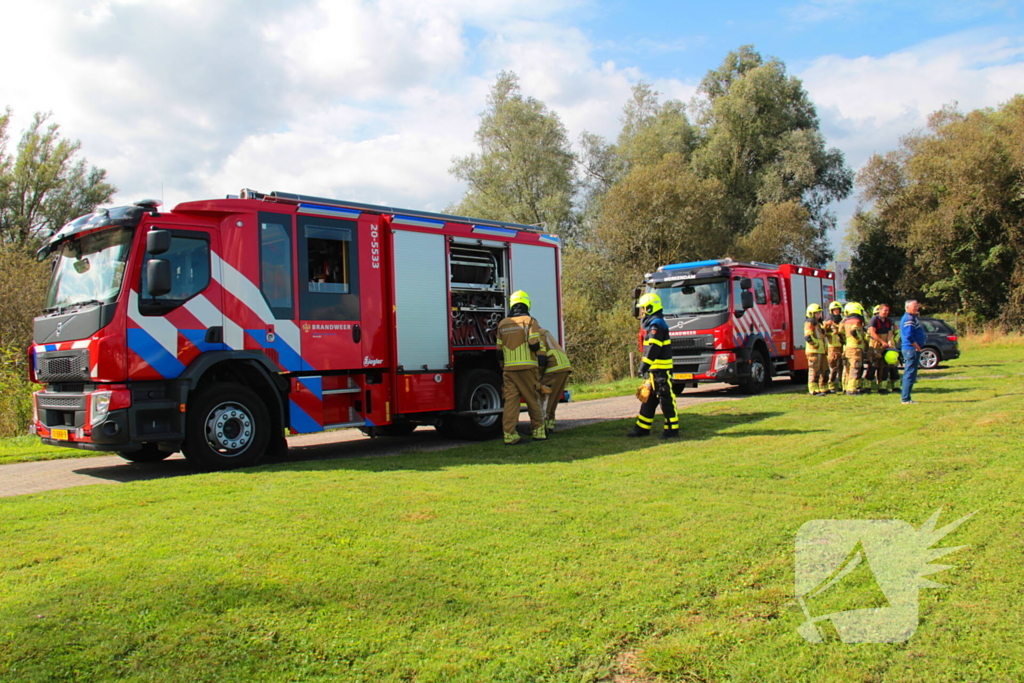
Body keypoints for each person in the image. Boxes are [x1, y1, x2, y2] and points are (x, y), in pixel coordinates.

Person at [496, 290, 547, 445]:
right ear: (527, 303)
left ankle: (509, 435)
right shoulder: (530, 321)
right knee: (533, 399)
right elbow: (533, 344)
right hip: (527, 368)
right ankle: (539, 431)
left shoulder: (503, 324)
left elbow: (499, 351)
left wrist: (503, 366)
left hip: (509, 370)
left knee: (511, 402)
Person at [627, 292, 679, 439]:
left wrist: (643, 367)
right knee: (649, 399)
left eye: (643, 308)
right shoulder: (654, 324)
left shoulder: (656, 325)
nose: (642, 312)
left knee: (666, 400)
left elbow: (653, 349)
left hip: (661, 371)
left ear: (650, 308)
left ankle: (672, 430)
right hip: (654, 371)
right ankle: (642, 429)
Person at [537, 327, 572, 432]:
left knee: (545, 398)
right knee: (553, 399)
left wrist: (538, 376)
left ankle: (542, 427)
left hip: (553, 368)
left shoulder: (537, 334)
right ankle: (549, 424)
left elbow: (541, 358)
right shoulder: (544, 332)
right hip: (563, 367)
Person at [866, 303, 898, 394]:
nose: (886, 312)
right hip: (876, 344)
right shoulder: (874, 320)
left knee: (884, 367)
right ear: (880, 310)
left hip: (885, 345)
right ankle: (867, 387)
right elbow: (872, 333)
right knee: (872, 366)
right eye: (885, 310)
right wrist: (882, 342)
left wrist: (889, 341)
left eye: (888, 311)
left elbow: (890, 332)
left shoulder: (888, 321)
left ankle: (882, 387)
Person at [900, 299, 926, 404]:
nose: (917, 308)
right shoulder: (909, 318)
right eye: (914, 306)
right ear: (907, 307)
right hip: (911, 349)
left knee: (911, 374)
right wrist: (917, 347)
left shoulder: (912, 317)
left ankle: (906, 398)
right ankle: (905, 399)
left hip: (911, 349)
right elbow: (909, 336)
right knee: (909, 374)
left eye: (917, 306)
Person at [840, 302, 868, 395]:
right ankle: (852, 389)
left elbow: (840, 332)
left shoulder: (846, 321)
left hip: (848, 347)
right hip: (856, 348)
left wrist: (846, 340)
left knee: (848, 368)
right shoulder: (857, 321)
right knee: (855, 368)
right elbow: (853, 331)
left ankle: (846, 387)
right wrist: (860, 339)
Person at [803, 303, 828, 396]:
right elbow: (808, 337)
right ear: (811, 314)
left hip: (820, 351)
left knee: (824, 370)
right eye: (816, 313)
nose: (819, 314)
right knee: (814, 371)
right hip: (814, 351)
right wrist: (816, 344)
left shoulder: (818, 324)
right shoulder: (809, 323)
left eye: (819, 313)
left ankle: (822, 388)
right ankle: (813, 390)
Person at [823, 301, 844, 394]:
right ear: (831, 311)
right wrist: (826, 324)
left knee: (841, 367)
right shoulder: (827, 321)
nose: (836, 311)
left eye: (838, 309)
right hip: (832, 348)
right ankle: (831, 385)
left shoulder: (842, 321)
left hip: (841, 347)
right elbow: (822, 331)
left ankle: (841, 384)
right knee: (833, 368)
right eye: (834, 310)